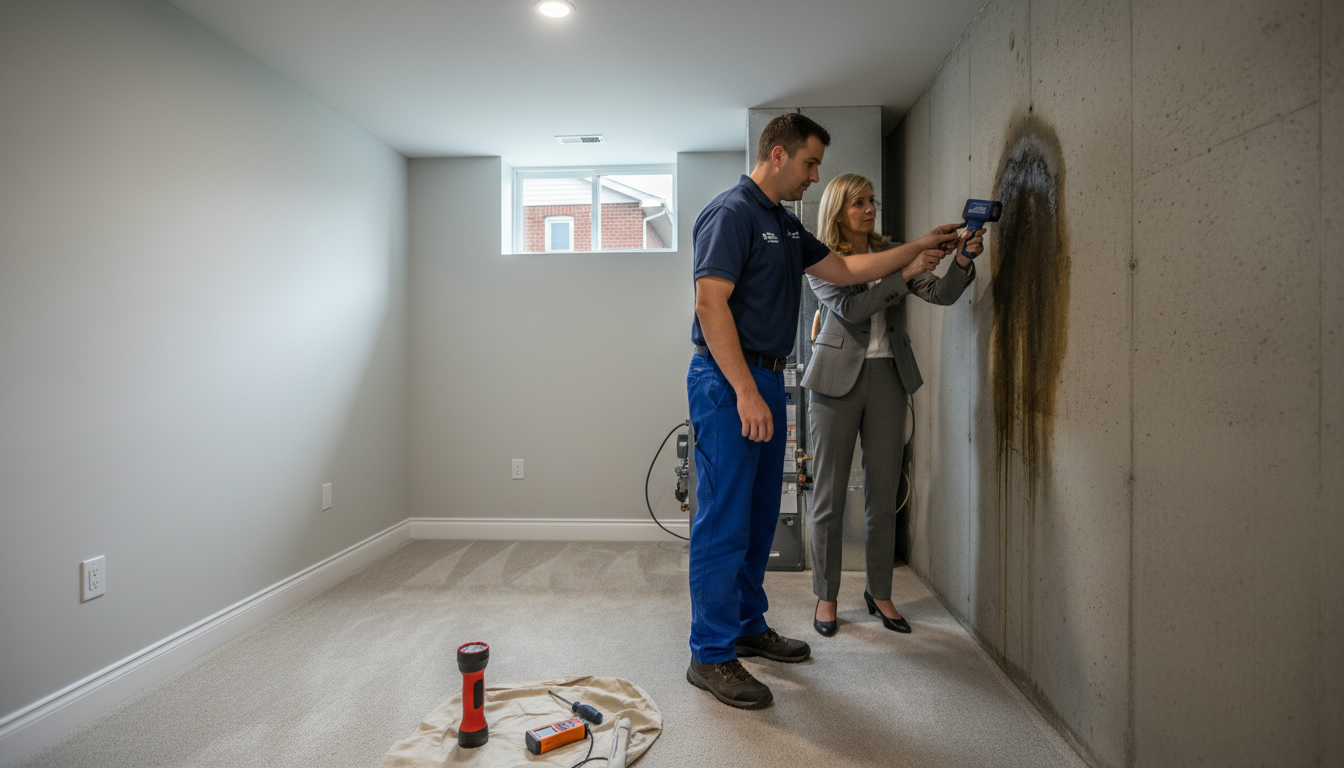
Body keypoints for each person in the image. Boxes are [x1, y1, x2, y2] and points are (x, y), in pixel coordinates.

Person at [685, 113, 966, 709]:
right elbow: (711, 305)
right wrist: (743, 390)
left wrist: (917, 248)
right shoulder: (731, 213)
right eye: (811, 164)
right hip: (728, 380)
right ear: (779, 154)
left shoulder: (784, 226)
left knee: (761, 518)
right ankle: (709, 656)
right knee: (724, 521)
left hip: (766, 374)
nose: (816, 177)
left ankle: (745, 626)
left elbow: (844, 269)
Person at [802, 173, 981, 638]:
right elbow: (855, 312)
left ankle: (879, 592)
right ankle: (826, 596)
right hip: (834, 384)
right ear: (838, 209)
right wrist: (901, 271)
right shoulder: (821, 260)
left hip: (889, 379)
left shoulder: (892, 251)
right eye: (858, 202)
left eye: (872, 200)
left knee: (882, 498)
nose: (869, 208)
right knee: (829, 499)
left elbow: (940, 294)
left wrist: (960, 260)